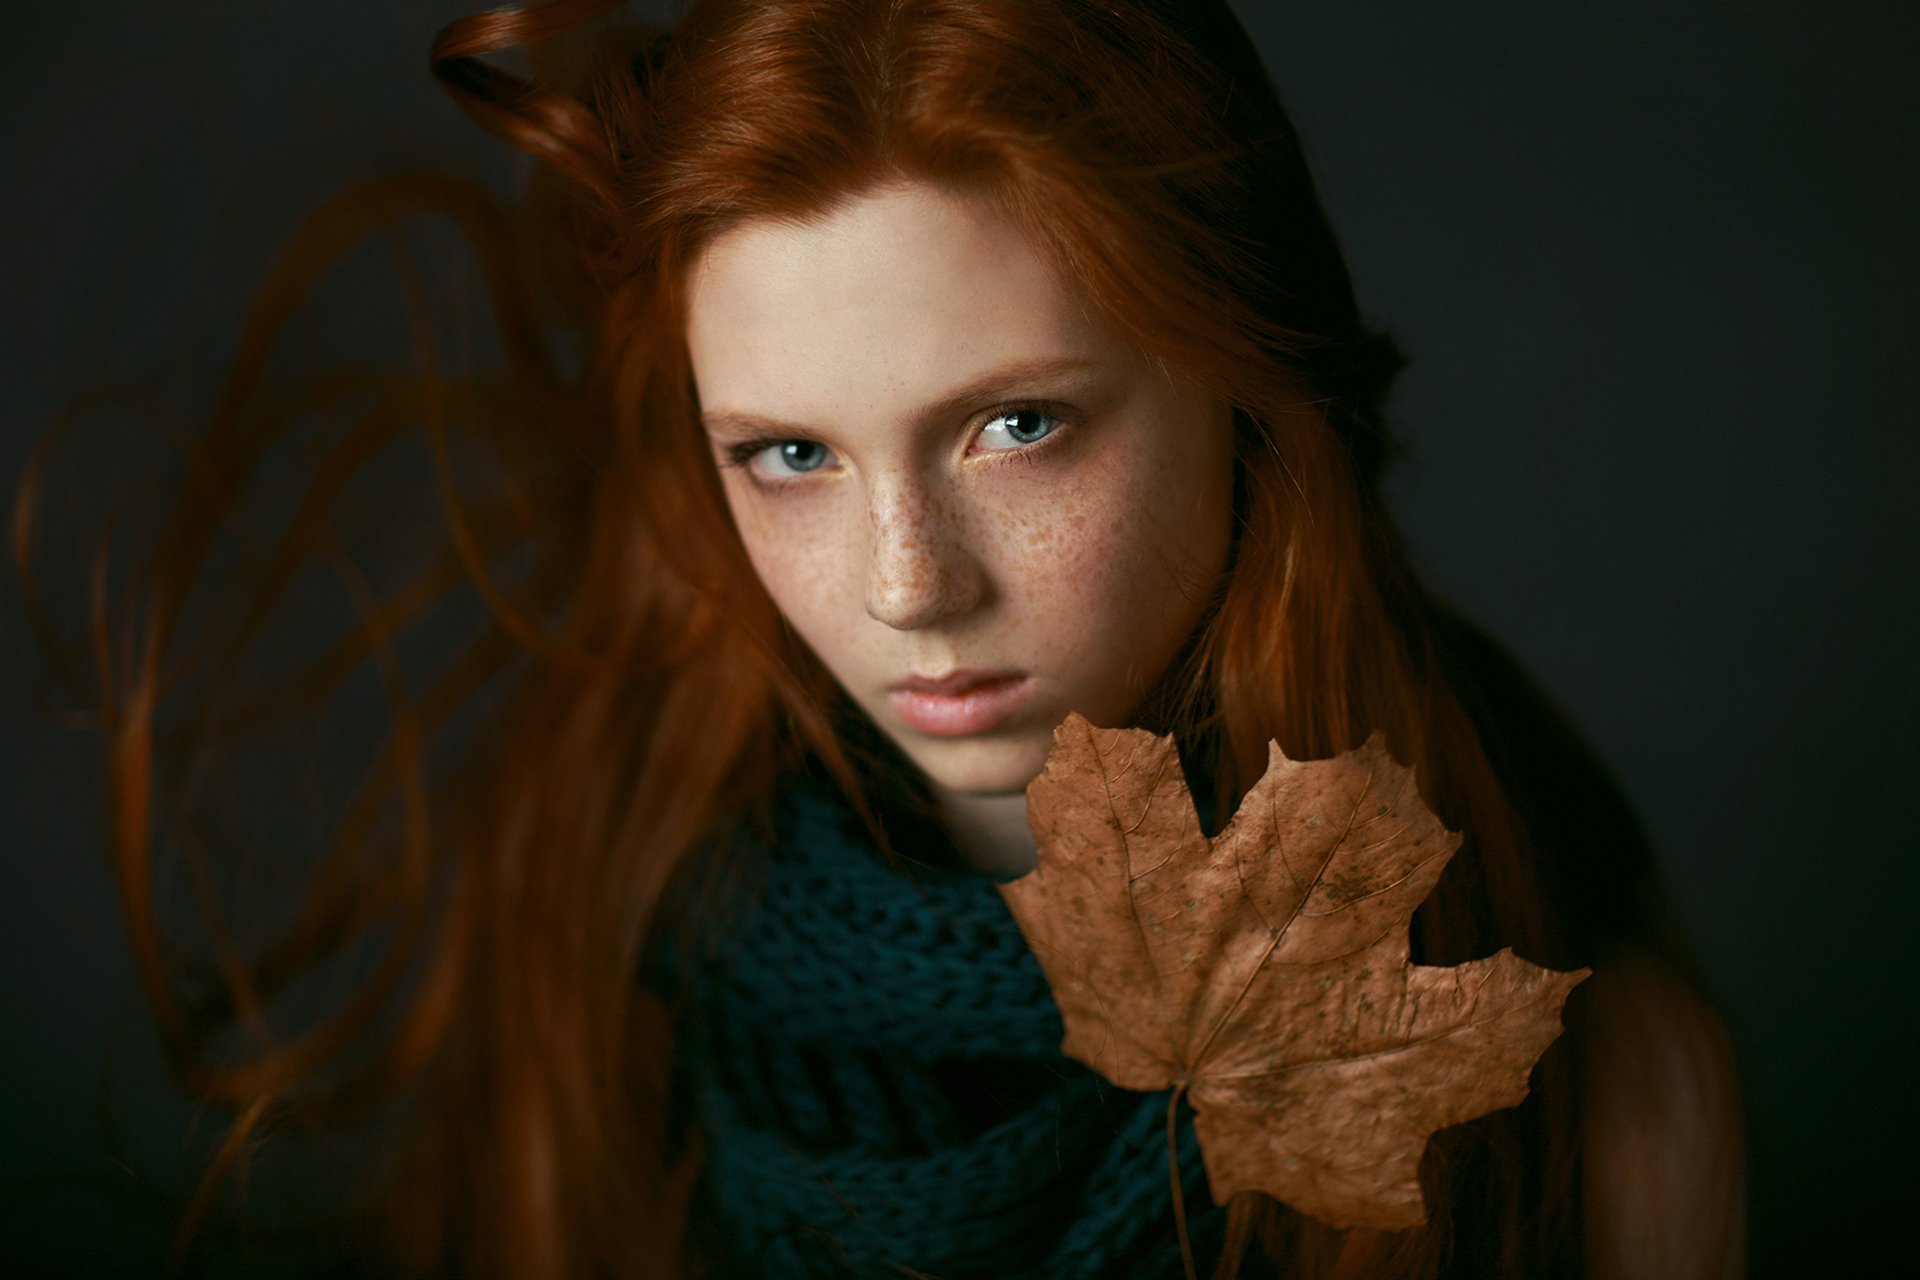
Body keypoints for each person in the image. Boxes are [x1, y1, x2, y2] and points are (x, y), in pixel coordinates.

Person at [24, 0, 1745, 1276]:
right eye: (790, 456)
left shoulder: (1589, 1101)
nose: (907, 583)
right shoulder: (623, 952)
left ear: (1243, 386)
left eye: (1016, 428)